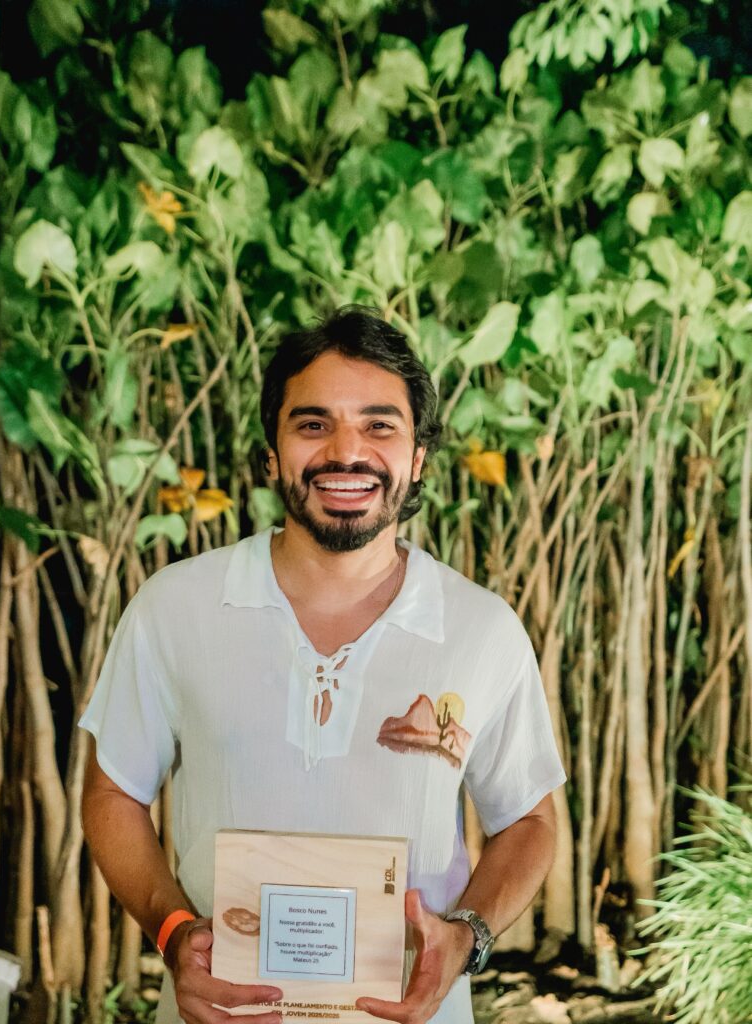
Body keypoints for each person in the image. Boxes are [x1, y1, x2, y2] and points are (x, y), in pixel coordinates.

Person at [80, 306, 566, 1024]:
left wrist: (468, 937)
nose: (346, 452)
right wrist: (173, 930)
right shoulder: (175, 607)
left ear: (418, 458)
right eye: (313, 424)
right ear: (271, 454)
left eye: (379, 426)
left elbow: (528, 818)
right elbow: (113, 793)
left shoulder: (480, 628)